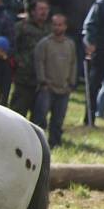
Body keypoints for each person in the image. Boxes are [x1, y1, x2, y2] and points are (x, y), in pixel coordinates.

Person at [34, 14, 77, 148]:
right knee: (41, 118)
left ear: (65, 26)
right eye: (55, 24)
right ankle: (38, 144)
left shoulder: (70, 44)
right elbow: (39, 62)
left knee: (58, 119)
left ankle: (55, 142)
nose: (57, 27)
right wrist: (43, 82)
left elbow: (73, 64)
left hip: (64, 88)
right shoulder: (45, 43)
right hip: (47, 87)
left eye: (60, 24)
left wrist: (71, 83)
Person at [58, 0, 98, 83]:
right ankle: (66, 81)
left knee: (82, 58)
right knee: (68, 57)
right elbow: (58, 7)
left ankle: (77, 82)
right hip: (69, 28)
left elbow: (96, 6)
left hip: (85, 30)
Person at [11, 0, 51, 117]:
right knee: (18, 112)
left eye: (46, 9)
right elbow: (12, 47)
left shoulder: (50, 29)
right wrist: (19, 61)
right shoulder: (21, 27)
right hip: (24, 77)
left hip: (43, 79)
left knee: (39, 116)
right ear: (33, 11)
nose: (43, 12)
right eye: (40, 9)